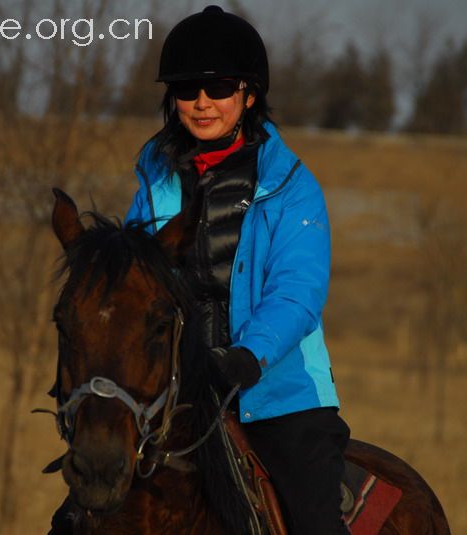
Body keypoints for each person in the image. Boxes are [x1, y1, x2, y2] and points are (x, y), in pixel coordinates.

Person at [123, 6, 351, 534]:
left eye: (219, 86)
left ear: (248, 94)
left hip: (274, 391)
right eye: (185, 88)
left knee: (315, 523)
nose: (202, 103)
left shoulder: (292, 185)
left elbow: (297, 292)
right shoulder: (154, 181)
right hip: (173, 392)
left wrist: (244, 358)